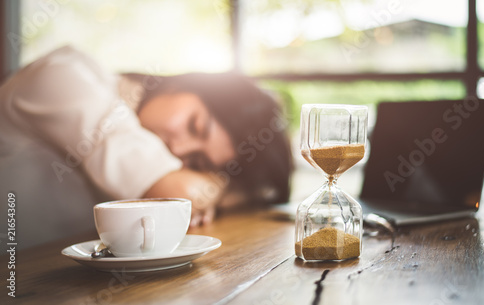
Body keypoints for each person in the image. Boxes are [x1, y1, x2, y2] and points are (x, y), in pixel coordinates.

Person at [0, 46, 292, 250]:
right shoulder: (65, 77)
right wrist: (223, 189)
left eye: (197, 161)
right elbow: (178, 195)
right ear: (185, 84)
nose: (178, 148)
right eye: (194, 125)